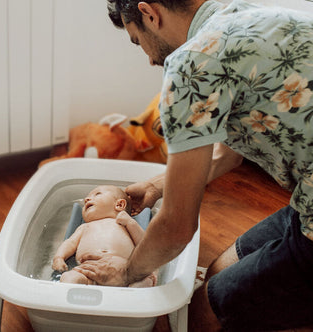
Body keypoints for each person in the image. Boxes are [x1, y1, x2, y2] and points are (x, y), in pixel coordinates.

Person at [72, 0, 313, 331]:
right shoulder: (241, 14)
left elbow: (176, 228)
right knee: (215, 272)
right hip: (306, 200)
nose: (151, 59)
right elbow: (230, 153)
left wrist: (126, 272)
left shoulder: (189, 67)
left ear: (150, 14)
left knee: (203, 311)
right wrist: (157, 187)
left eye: (137, 41)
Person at [52, 185, 157, 287]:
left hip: (125, 273)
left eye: (97, 194)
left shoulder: (124, 223)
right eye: (86, 199)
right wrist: (59, 257)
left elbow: (143, 244)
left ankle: (134, 294)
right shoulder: (84, 227)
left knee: (144, 280)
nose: (87, 199)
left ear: (119, 205)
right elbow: (70, 243)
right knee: (70, 277)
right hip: (88, 272)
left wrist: (131, 223)